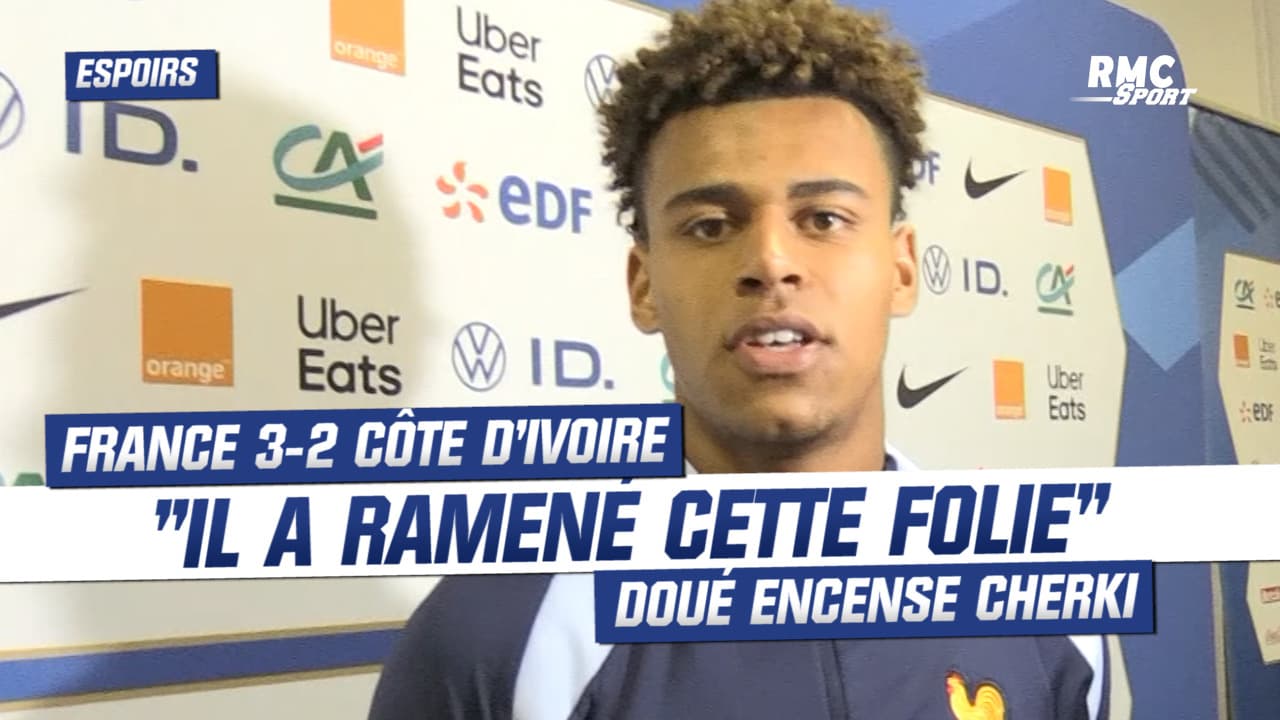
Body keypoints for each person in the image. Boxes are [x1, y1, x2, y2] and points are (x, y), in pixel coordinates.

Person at [369, 1, 1109, 717]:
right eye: (711, 225)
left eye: (824, 218)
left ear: (903, 268)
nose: (771, 261)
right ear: (644, 286)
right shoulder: (502, 633)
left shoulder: (1046, 598)